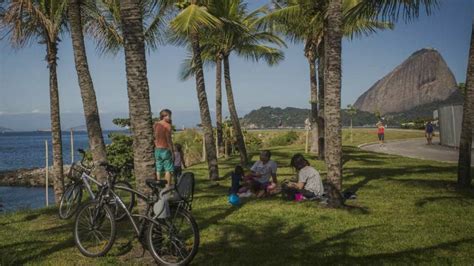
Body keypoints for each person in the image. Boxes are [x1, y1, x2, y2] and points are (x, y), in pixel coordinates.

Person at [154, 109, 174, 186]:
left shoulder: (156, 124)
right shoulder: (167, 125)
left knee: (158, 169)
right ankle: (167, 187)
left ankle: (158, 186)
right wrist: (172, 151)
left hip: (157, 149)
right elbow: (168, 139)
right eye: (169, 115)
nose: (170, 117)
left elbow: (155, 136)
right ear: (164, 116)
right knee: (168, 169)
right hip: (165, 149)